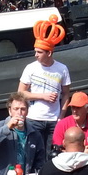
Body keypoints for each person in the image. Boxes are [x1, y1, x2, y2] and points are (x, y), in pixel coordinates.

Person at [18, 15, 70, 153]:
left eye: (39, 52)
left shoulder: (62, 69)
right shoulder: (30, 68)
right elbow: (20, 93)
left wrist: (61, 117)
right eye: (35, 51)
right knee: (33, 153)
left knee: (52, 153)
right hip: (34, 118)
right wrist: (42, 96)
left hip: (54, 120)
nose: (36, 55)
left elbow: (66, 94)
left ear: (49, 52)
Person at [0, 92, 46, 175]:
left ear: (27, 111)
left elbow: (40, 160)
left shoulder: (34, 133)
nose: (19, 112)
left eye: (23, 109)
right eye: (16, 109)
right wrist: (6, 128)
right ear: (10, 111)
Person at [51, 91, 88, 160]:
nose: (74, 111)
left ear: (87, 108)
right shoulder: (62, 124)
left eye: (78, 107)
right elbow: (57, 153)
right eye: (73, 107)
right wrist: (84, 155)